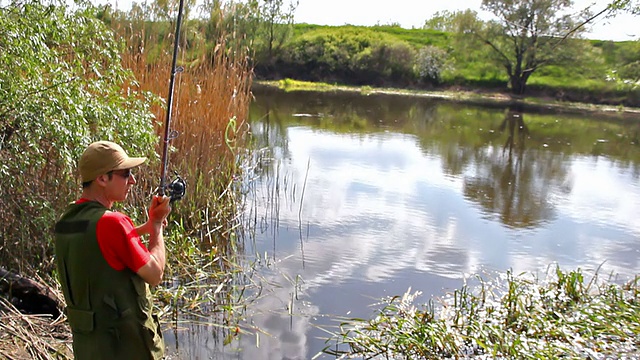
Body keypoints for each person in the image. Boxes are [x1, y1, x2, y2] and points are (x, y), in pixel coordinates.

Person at [54, 140, 171, 360]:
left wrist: (142, 228)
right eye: (125, 174)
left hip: (89, 349)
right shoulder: (114, 223)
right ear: (102, 178)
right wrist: (156, 227)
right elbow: (155, 274)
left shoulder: (67, 221)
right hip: (122, 349)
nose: (133, 181)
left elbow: (96, 244)